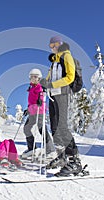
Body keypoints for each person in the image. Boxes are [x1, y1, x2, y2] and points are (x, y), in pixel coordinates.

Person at [40, 36, 83, 176]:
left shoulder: (67, 57)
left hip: (63, 95)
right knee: (54, 128)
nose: (53, 47)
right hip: (52, 97)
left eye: (55, 44)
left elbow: (70, 77)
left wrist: (51, 85)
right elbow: (48, 79)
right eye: (51, 45)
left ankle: (74, 161)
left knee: (62, 127)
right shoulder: (54, 62)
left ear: (61, 44)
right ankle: (62, 157)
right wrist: (43, 86)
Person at [21, 69, 55, 159]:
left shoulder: (40, 87)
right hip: (32, 112)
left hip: (39, 112)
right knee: (26, 128)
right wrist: (28, 109)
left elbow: (42, 96)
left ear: (39, 78)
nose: (33, 78)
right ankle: (32, 148)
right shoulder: (31, 88)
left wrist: (40, 99)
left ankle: (50, 150)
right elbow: (31, 102)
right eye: (31, 77)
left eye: (35, 77)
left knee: (42, 130)